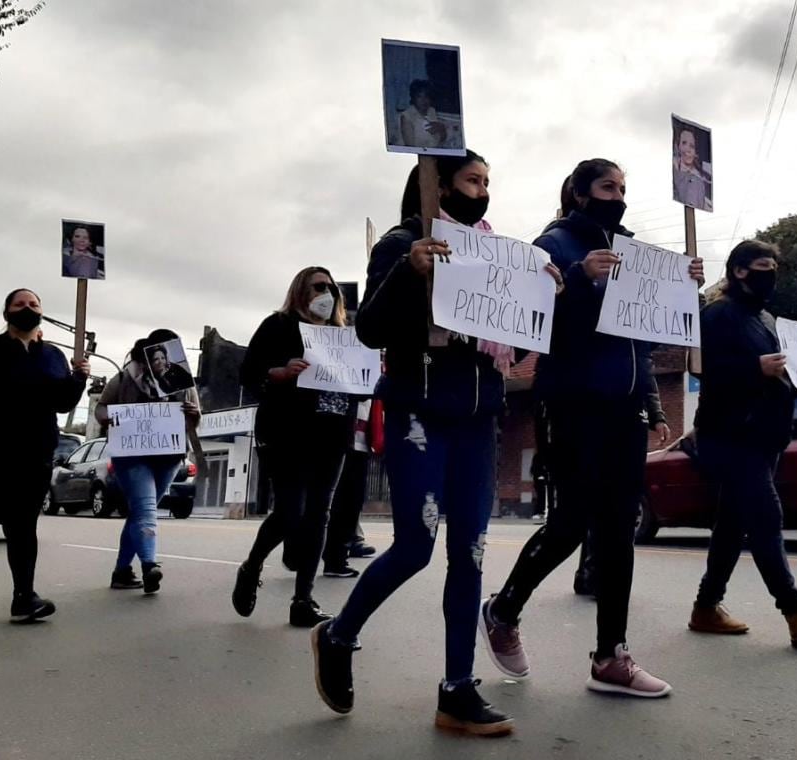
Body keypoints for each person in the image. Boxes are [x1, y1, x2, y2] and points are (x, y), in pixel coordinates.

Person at [311, 150, 560, 736]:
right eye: (473, 180)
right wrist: (410, 272)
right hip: (418, 411)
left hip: (479, 418)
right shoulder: (401, 245)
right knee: (415, 547)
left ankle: (457, 690)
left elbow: (518, 340)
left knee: (469, 555)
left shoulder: (498, 253)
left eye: (488, 182)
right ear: (438, 184)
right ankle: (339, 635)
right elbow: (368, 327)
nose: (483, 190)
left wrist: (544, 293)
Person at [480, 158, 704, 698]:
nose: (618, 195)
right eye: (607, 186)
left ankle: (611, 656)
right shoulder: (554, 244)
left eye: (624, 187)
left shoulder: (633, 253)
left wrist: (684, 290)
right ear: (580, 193)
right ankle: (504, 609)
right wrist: (581, 277)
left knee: (619, 525)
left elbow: (641, 343)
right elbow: (530, 314)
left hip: (624, 408)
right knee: (572, 521)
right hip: (572, 402)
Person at [686, 240, 797, 645]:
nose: (770, 272)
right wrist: (752, 368)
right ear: (739, 270)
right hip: (730, 435)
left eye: (774, 265)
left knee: (732, 524)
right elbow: (702, 369)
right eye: (762, 265)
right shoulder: (718, 314)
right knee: (765, 518)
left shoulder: (768, 320)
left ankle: (706, 607)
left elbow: (779, 380)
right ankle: (796, 612)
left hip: (765, 435)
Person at [0, 288, 90, 620]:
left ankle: (24, 597)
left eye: (33, 304)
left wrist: (79, 377)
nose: (27, 308)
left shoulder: (52, 356)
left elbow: (63, 402)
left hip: (34, 455)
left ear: (41, 312)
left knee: (23, 527)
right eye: (19, 304)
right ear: (7, 312)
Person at [231, 267, 355, 627]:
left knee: (319, 513)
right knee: (291, 511)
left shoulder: (342, 336)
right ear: (301, 290)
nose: (327, 293)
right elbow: (248, 372)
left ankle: (303, 599)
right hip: (287, 432)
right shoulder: (278, 326)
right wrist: (280, 372)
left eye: (331, 288)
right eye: (319, 286)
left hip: (331, 435)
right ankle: (251, 567)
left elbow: (359, 386)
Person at [95, 330, 201, 594]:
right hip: (132, 456)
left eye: (166, 355)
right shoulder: (124, 378)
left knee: (140, 512)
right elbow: (101, 409)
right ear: (147, 354)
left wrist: (193, 413)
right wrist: (112, 417)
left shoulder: (182, 381)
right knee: (145, 508)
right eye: (157, 356)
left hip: (168, 456)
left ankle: (121, 571)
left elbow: (195, 421)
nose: (162, 361)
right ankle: (149, 564)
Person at [321, 400, 375, 578]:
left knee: (352, 501)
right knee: (331, 500)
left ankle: (337, 558)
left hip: (362, 438)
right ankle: (323, 555)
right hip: (337, 435)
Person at [399, 79, 450, 149]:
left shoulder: (431, 111)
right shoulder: (406, 116)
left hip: (435, 151)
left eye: (427, 96)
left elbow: (441, 140)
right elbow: (410, 147)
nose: (424, 100)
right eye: (419, 96)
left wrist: (441, 128)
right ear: (413, 98)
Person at [673, 127, 713, 212]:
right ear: (678, 145)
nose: (688, 149)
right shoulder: (676, 171)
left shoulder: (702, 179)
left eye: (692, 146)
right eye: (684, 143)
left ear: (695, 152)